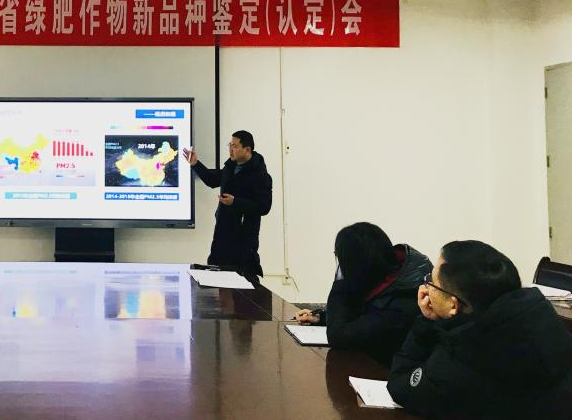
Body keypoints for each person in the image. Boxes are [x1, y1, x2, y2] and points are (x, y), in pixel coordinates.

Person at [387, 240, 572, 420]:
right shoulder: (539, 315)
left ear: (453, 305)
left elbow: (400, 385)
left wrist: (425, 321)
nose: (426, 288)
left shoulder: (462, 361)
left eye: (431, 282)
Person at [292, 222, 431, 365]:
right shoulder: (386, 274)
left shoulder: (402, 301)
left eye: (341, 259)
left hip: (385, 372)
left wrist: (340, 280)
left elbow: (338, 336)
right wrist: (322, 317)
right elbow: (365, 317)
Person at [183, 130, 272, 275]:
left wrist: (235, 202)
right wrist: (195, 164)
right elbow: (212, 180)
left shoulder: (260, 175)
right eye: (230, 145)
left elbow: (264, 207)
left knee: (242, 278)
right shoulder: (230, 167)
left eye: (235, 146)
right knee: (216, 274)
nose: (231, 149)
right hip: (222, 233)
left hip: (243, 238)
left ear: (247, 149)